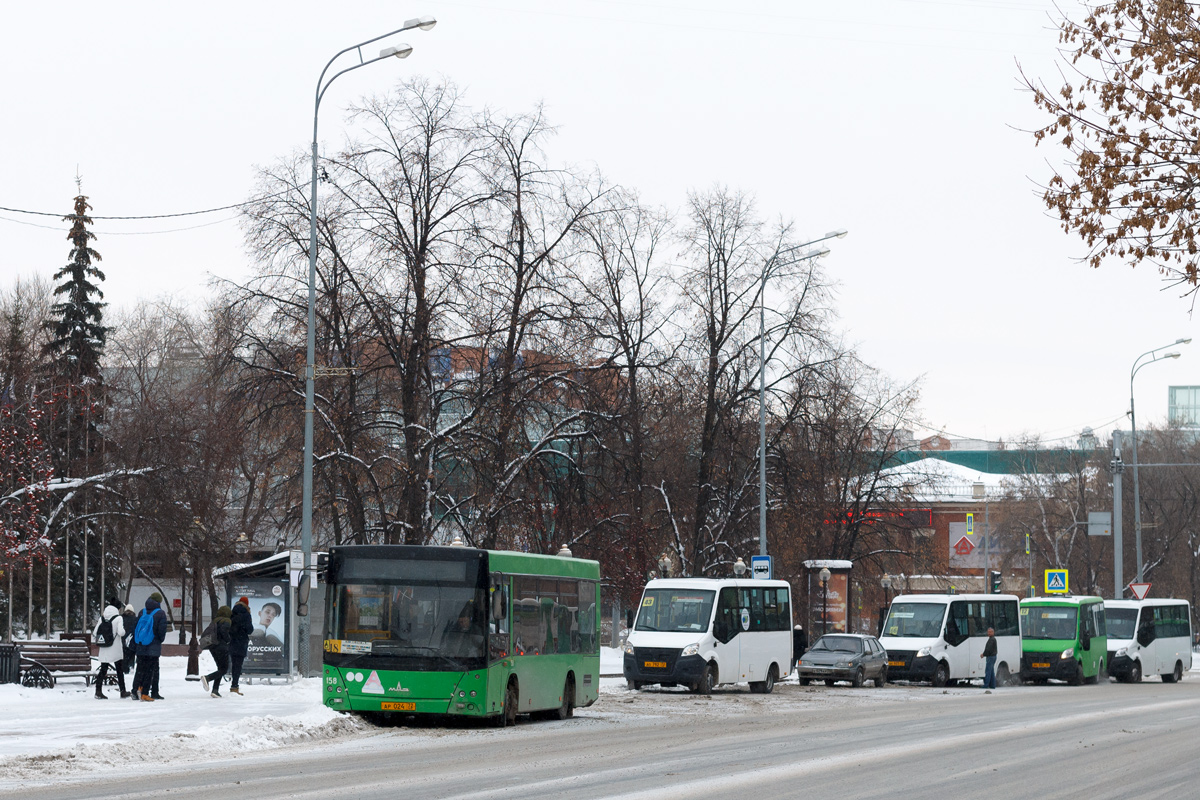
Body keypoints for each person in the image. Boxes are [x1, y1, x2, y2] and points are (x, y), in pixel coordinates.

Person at [131, 595, 167, 702]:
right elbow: (161, 631)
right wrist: (158, 640)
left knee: (140, 669)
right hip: (153, 646)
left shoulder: (142, 612)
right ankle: (145, 693)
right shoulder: (160, 613)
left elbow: (135, 627)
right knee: (149, 671)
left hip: (141, 645)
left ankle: (135, 690)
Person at [92, 598, 128, 699]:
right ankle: (123, 691)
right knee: (119, 670)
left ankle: (98, 691)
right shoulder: (118, 618)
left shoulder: (102, 618)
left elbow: (95, 633)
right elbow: (121, 632)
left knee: (103, 669)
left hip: (104, 648)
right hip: (115, 648)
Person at [201, 606, 233, 698]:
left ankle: (215, 690)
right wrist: (228, 640)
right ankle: (207, 678)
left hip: (213, 647)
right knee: (224, 669)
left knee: (220, 669)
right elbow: (224, 631)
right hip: (221, 647)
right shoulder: (226, 620)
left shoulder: (215, 621)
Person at [228, 597, 253, 695]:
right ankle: (235, 686)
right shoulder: (246, 614)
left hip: (232, 641)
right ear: (246, 604)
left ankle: (234, 686)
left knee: (234, 664)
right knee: (238, 665)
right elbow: (249, 629)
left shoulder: (232, 613)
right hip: (241, 642)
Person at [120, 603, 138, 676]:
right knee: (131, 655)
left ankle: (124, 669)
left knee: (124, 656)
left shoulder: (121, 618)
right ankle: (131, 667)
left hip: (123, 640)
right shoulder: (135, 619)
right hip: (132, 640)